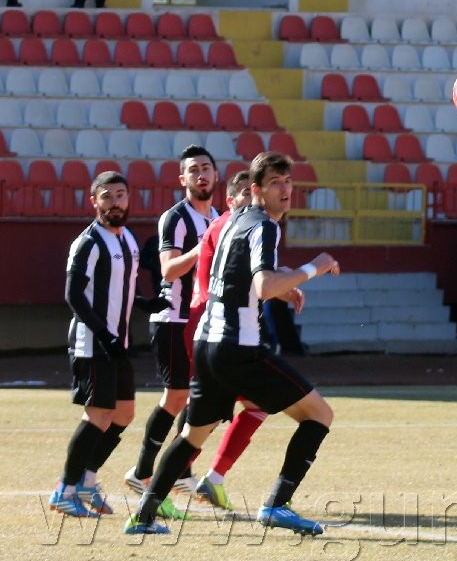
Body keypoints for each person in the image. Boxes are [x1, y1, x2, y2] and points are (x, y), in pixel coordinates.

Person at [126, 151, 341, 536]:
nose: (285, 190)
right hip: (238, 347)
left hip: (207, 343)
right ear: (256, 189)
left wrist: (282, 287)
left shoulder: (230, 221)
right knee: (319, 415)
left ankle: (143, 515)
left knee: (192, 435)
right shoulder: (266, 227)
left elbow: (237, 279)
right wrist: (315, 266)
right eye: (275, 183)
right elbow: (263, 285)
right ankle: (276, 505)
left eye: (288, 182)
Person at [49, 172, 170, 518]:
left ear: (129, 199)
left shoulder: (128, 239)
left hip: (117, 342)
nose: (115, 202)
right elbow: (74, 295)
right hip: (93, 342)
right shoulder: (88, 242)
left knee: (124, 413)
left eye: (120, 195)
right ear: (94, 202)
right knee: (98, 414)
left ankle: (87, 480)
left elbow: (124, 289)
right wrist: (104, 335)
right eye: (107, 196)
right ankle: (64, 491)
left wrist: (147, 304)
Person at [124, 145, 220, 518]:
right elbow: (168, 269)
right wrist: (203, 246)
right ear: (182, 179)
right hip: (174, 319)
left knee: (203, 398)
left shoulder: (219, 216)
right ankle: (143, 471)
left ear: (216, 175)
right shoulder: (176, 218)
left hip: (205, 321)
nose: (201, 174)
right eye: (193, 170)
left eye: (206, 168)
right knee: (178, 396)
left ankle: (180, 470)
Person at [188, 170, 282, 512]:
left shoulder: (241, 226)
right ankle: (159, 479)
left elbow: (252, 280)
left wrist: (285, 290)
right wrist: (309, 271)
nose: (250, 200)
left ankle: (204, 478)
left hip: (222, 330)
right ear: (231, 200)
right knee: (205, 411)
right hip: (216, 330)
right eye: (243, 194)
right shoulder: (231, 226)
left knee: (247, 405)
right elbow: (234, 283)